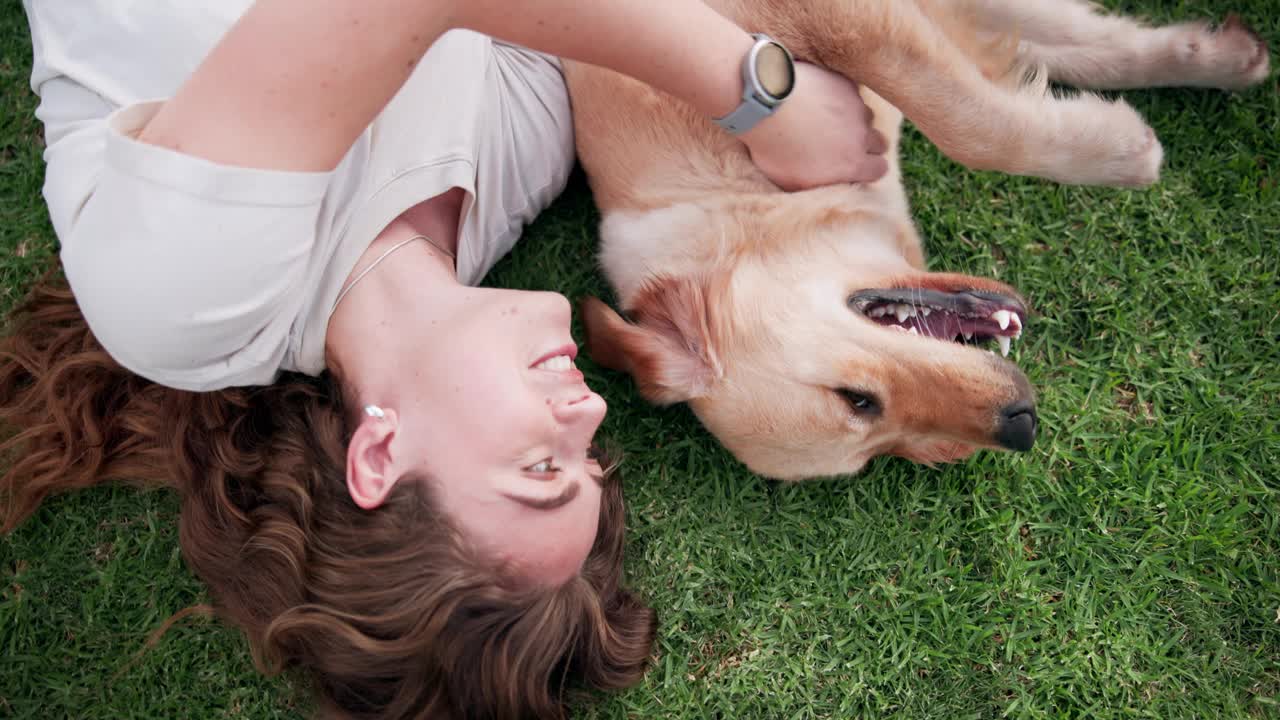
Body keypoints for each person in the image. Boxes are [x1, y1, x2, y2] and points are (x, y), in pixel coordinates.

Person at [4, 1, 888, 718]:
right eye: (592, 462)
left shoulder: (190, 306)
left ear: (379, 453)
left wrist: (760, 95)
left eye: (542, 466)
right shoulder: (529, 164)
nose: (592, 413)